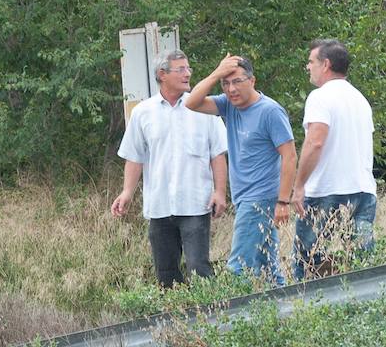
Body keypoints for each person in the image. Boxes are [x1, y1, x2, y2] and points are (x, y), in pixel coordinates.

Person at [112, 50, 228, 288]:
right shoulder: (143, 112)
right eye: (181, 69)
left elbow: (217, 153)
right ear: (162, 74)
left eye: (188, 68)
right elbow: (134, 156)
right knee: (165, 273)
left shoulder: (203, 108)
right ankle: (172, 320)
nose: (188, 74)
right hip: (160, 206)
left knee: (199, 268)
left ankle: (210, 318)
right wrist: (127, 192)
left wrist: (220, 191)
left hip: (196, 203)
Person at [185, 54, 296, 285]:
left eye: (237, 82)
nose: (231, 89)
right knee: (268, 265)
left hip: (260, 199)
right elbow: (191, 102)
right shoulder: (228, 106)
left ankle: (229, 318)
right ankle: (287, 312)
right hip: (243, 198)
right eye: (225, 84)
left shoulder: (270, 111)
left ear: (252, 81)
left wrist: (283, 202)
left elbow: (290, 156)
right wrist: (217, 72)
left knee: (238, 268)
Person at [288, 39, 377, 281]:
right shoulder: (360, 100)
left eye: (311, 62)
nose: (308, 67)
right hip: (363, 190)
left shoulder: (320, 97)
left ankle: (303, 309)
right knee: (363, 264)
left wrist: (299, 186)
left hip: (327, 190)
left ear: (325, 64)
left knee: (306, 262)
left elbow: (316, 141)